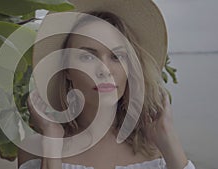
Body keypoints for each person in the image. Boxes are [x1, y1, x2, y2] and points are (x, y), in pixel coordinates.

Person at [17, 0, 196, 168]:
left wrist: (168, 137)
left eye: (116, 56)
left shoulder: (159, 148)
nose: (104, 70)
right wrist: (52, 143)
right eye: (87, 56)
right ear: (67, 70)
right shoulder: (35, 148)